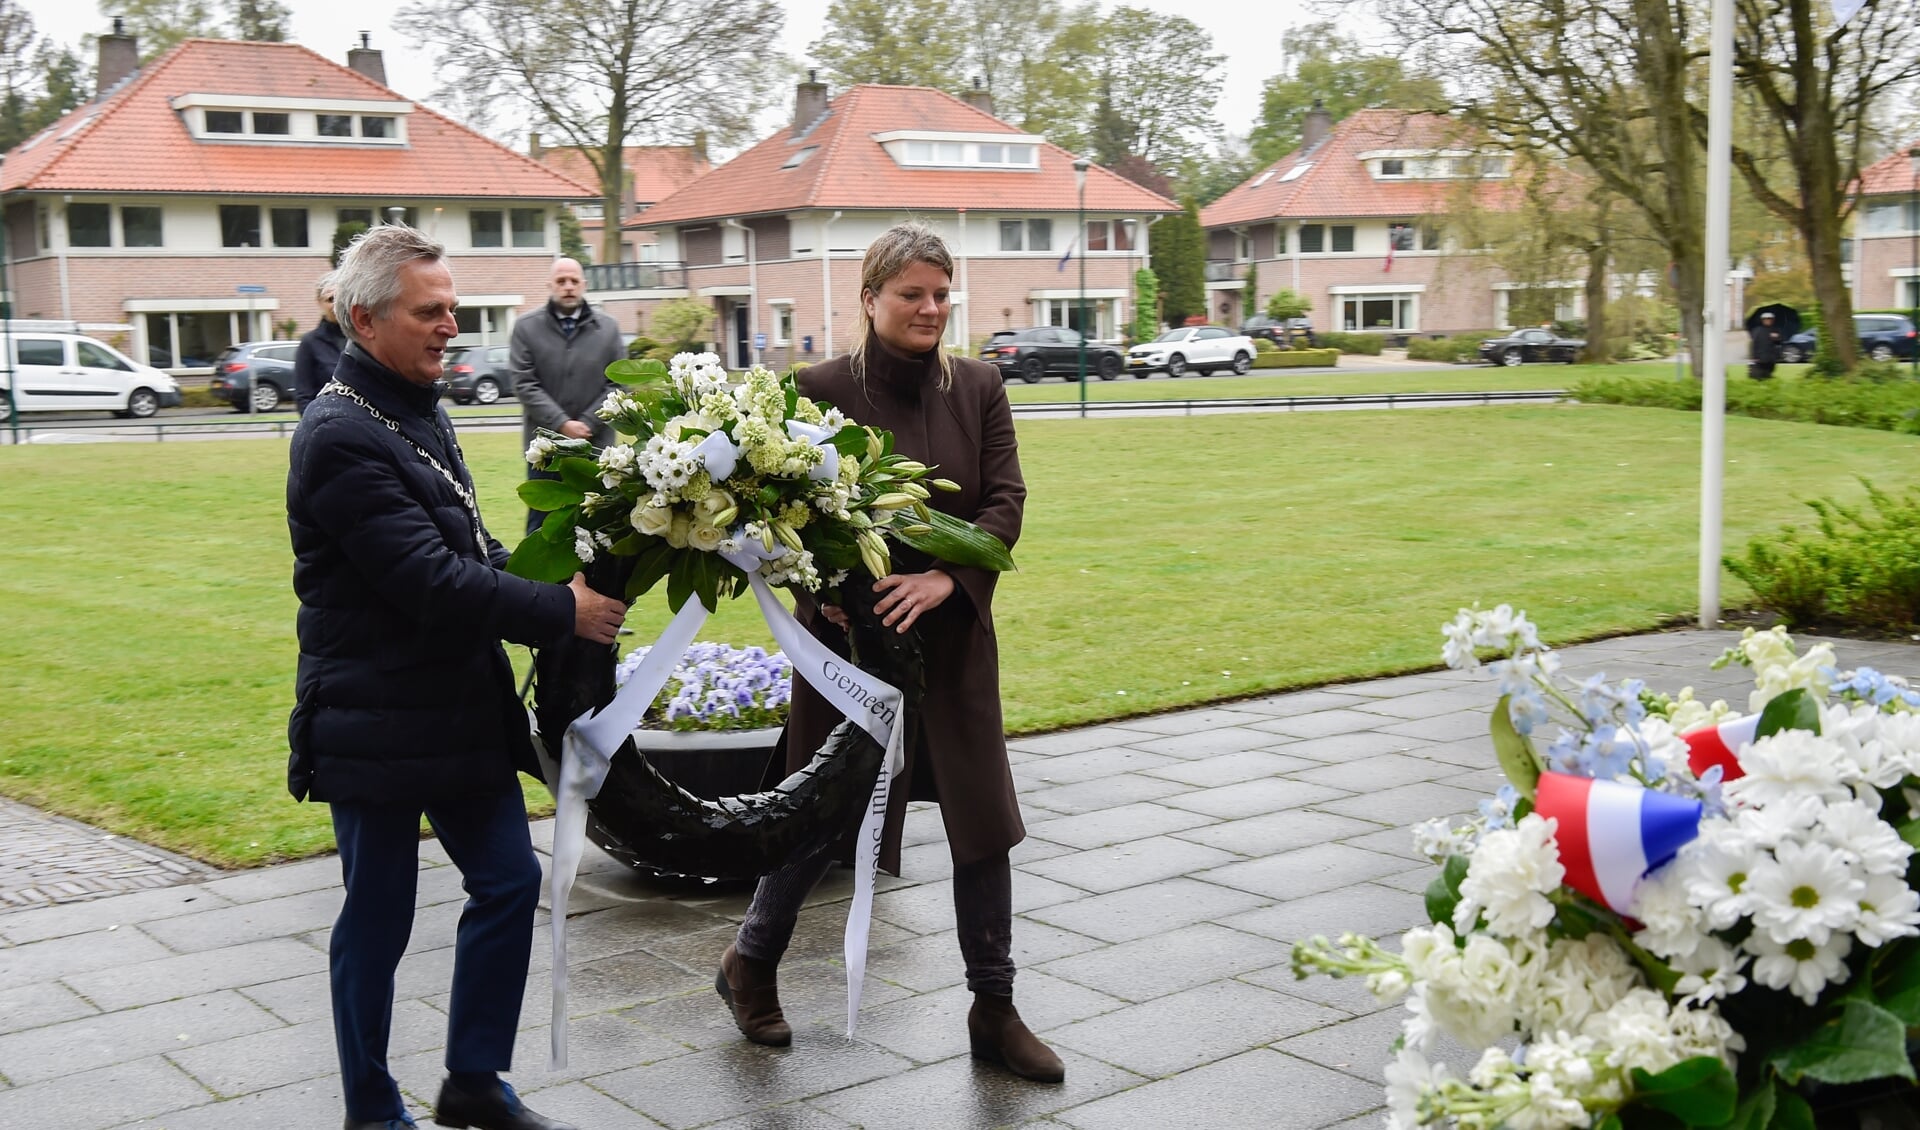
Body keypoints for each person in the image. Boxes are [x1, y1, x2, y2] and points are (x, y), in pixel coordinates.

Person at [287, 224, 627, 1130]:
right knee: (380, 917)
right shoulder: (336, 435)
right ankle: (370, 1106)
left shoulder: (419, 408)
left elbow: (472, 552)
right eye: (429, 311)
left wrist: (564, 573)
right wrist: (565, 614)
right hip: (376, 717)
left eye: (454, 309)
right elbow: (427, 582)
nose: (450, 327)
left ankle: (473, 1080)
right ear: (365, 318)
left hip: (455, 706)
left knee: (510, 882)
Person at [712, 223, 1062, 1083]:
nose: (931, 309)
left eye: (942, 294)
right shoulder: (816, 388)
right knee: (821, 816)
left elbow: (1006, 503)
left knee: (984, 822)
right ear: (870, 300)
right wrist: (816, 592)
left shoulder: (979, 386)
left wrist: (949, 580)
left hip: (953, 647)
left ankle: (994, 1006)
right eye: (913, 295)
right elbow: (776, 517)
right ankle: (750, 963)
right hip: (850, 651)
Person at [512, 257, 624, 533]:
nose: (568, 287)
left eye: (574, 281)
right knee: (543, 525)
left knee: (598, 523)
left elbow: (618, 384)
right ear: (550, 285)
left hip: (596, 447)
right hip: (546, 450)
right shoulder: (526, 327)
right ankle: (537, 578)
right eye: (561, 281)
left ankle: (597, 578)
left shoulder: (608, 329)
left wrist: (588, 422)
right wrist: (561, 424)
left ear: (584, 285)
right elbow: (524, 383)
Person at [293, 271, 347, 414]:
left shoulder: (364, 338)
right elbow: (303, 395)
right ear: (319, 303)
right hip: (326, 424)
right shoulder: (309, 343)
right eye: (330, 299)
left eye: (341, 298)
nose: (336, 304)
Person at [1749, 311, 1781, 381]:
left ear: (1772, 320)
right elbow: (1754, 344)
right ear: (1762, 320)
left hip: (1771, 358)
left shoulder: (1775, 330)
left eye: (1769, 319)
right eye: (1766, 319)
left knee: (1768, 375)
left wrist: (1776, 338)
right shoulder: (1757, 330)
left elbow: (1778, 344)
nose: (1768, 320)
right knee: (1759, 376)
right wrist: (1754, 357)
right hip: (1760, 358)